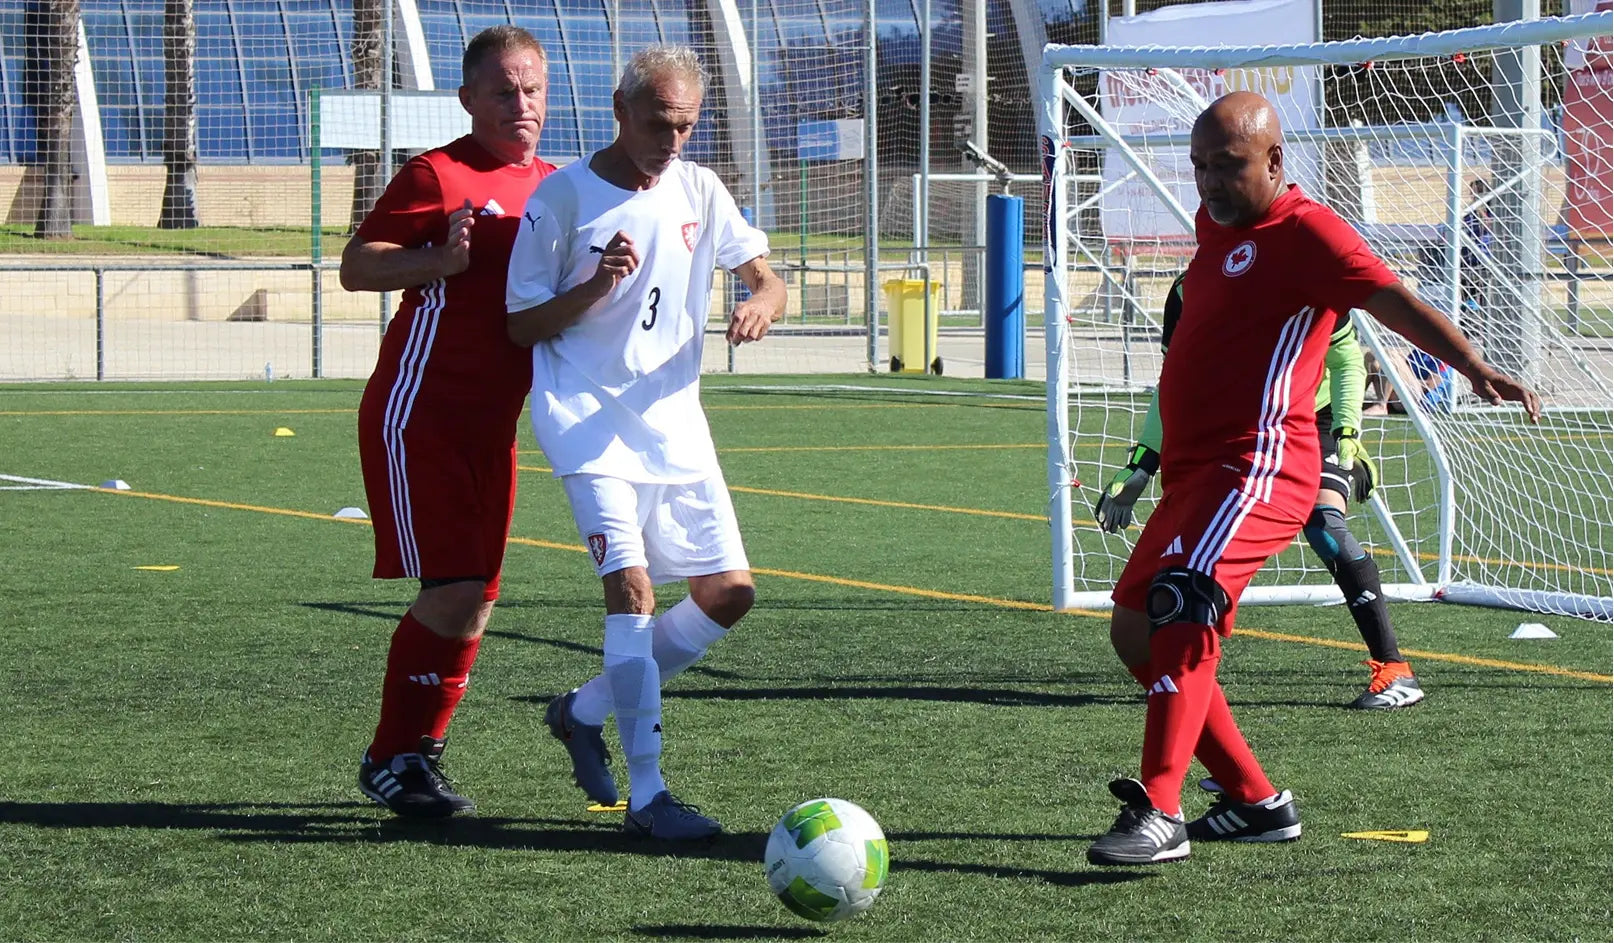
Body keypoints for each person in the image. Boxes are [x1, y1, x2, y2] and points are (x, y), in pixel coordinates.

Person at [1084, 91, 1540, 867]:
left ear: (1274, 161)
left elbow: (1392, 298)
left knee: (1183, 604)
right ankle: (1256, 802)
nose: (1209, 182)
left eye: (1227, 166)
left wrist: (1470, 364)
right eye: (1199, 166)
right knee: (1135, 630)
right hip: (1195, 474)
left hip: (1259, 464)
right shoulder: (1215, 224)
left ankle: (1161, 808)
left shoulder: (1310, 232)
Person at [505, 44, 787, 841]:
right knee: (631, 591)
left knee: (729, 594)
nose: (673, 141)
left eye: (687, 126)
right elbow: (519, 322)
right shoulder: (561, 201)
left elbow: (768, 275)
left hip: (676, 423)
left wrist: (764, 299)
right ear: (620, 109)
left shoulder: (700, 186)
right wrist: (595, 286)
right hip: (586, 424)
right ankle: (650, 795)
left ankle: (580, 710)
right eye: (660, 122)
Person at [342, 26, 556, 819]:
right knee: (455, 584)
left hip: (493, 426)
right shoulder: (438, 172)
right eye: (503, 89)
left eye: (532, 88)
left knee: (480, 592)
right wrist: (439, 260)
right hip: (419, 413)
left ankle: (415, 755)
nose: (520, 103)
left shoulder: (559, 186)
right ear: (468, 98)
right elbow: (358, 265)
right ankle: (391, 756)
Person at [1096, 273, 1425, 710]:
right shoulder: (1187, 290)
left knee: (1325, 526)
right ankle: (1185, 675)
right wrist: (1142, 464)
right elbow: (1172, 379)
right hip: (1242, 428)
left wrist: (1348, 428)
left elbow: (1346, 358)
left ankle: (1395, 669)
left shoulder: (1303, 271)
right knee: (1199, 535)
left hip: (1316, 419)